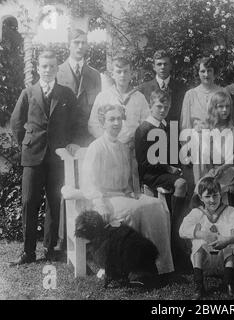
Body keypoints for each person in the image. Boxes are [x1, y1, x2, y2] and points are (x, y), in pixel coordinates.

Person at [81, 103, 174, 276]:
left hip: (123, 195)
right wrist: (99, 202)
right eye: (111, 119)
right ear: (103, 123)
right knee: (137, 210)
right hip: (104, 199)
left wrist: (131, 191)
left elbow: (128, 178)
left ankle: (162, 266)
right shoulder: (97, 147)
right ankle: (135, 267)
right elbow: (89, 181)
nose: (116, 123)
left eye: (119, 119)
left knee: (157, 205)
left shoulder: (123, 147)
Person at [10, 50, 81, 265]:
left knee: (54, 202)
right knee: (29, 201)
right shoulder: (28, 92)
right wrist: (27, 142)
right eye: (44, 66)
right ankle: (28, 252)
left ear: (57, 68)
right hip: (32, 156)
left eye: (51, 66)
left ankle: (50, 249)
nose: (48, 70)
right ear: (38, 68)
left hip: (57, 156)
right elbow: (16, 123)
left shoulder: (66, 94)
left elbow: (76, 122)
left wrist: (71, 141)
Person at [134, 89, 188, 270]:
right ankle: (174, 231)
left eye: (166, 106)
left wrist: (176, 165)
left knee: (189, 178)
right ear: (150, 106)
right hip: (150, 174)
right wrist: (167, 168)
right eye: (158, 106)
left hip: (163, 171)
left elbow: (170, 154)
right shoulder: (144, 128)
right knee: (180, 184)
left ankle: (181, 230)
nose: (162, 109)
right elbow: (144, 162)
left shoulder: (164, 125)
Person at [179, 177, 234, 300]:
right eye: (207, 197)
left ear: (221, 195)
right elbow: (182, 230)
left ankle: (228, 284)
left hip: (225, 263)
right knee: (198, 239)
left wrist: (228, 239)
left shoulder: (229, 211)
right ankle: (199, 285)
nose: (212, 200)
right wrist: (202, 234)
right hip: (203, 264)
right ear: (201, 197)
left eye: (215, 195)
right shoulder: (197, 212)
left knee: (232, 233)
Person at [88, 56, 149, 192]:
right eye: (119, 71)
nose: (122, 75)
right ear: (112, 74)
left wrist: (136, 141)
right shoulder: (103, 96)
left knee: (131, 189)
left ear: (131, 73)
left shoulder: (139, 97)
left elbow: (147, 125)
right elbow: (93, 124)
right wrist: (107, 142)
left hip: (131, 149)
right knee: (111, 187)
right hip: (109, 151)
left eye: (126, 71)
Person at [199, 90, 234, 206]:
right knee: (201, 189)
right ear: (213, 108)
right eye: (220, 107)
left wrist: (222, 167)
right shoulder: (207, 128)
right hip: (213, 169)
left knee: (216, 189)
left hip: (229, 167)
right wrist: (210, 169)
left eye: (227, 106)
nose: (225, 110)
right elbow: (205, 153)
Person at [180, 56, 222, 185]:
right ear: (198, 73)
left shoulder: (222, 92)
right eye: (202, 71)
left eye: (209, 70)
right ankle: (200, 194)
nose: (206, 74)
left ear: (214, 72)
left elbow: (228, 121)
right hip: (197, 142)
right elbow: (185, 125)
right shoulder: (191, 94)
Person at [57, 28, 102, 146]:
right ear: (68, 45)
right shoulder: (57, 73)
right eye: (76, 42)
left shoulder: (95, 75)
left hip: (88, 139)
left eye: (84, 43)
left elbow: (97, 110)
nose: (80, 46)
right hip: (62, 139)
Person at [137, 50, 187, 123]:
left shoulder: (181, 88)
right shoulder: (143, 89)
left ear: (170, 66)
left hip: (174, 130)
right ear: (154, 67)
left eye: (165, 64)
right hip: (151, 131)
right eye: (159, 64)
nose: (162, 67)